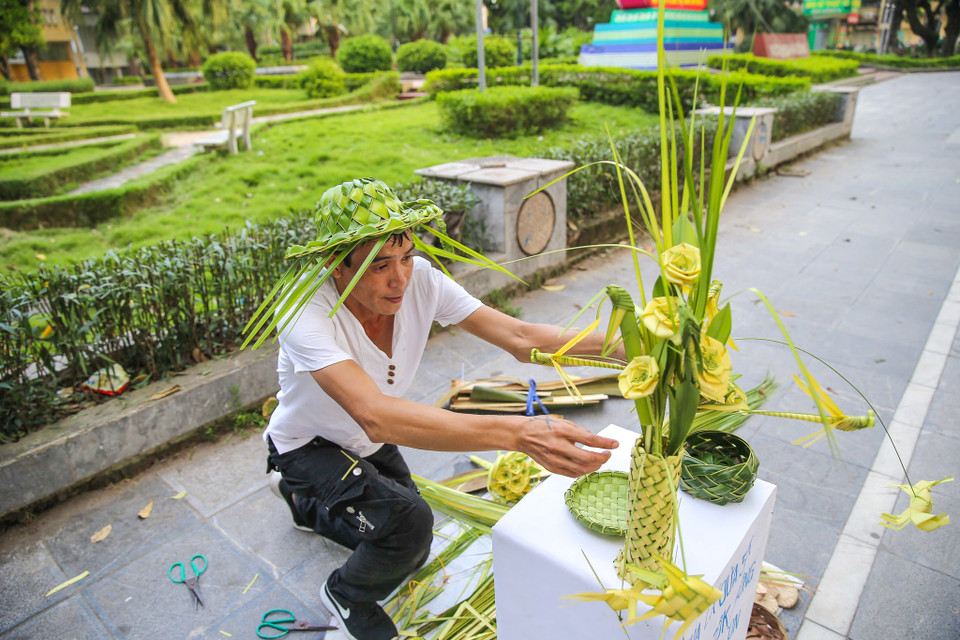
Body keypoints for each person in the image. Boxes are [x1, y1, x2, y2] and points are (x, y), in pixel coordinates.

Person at [256, 177, 620, 640]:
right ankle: (345, 593)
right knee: (409, 526)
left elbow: (520, 337)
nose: (400, 279)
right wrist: (518, 433)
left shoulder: (422, 281)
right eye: (379, 265)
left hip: (364, 440)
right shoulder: (304, 310)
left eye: (406, 257)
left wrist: (625, 346)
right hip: (309, 445)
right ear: (335, 266)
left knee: (410, 543)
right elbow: (375, 414)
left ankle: (301, 502)